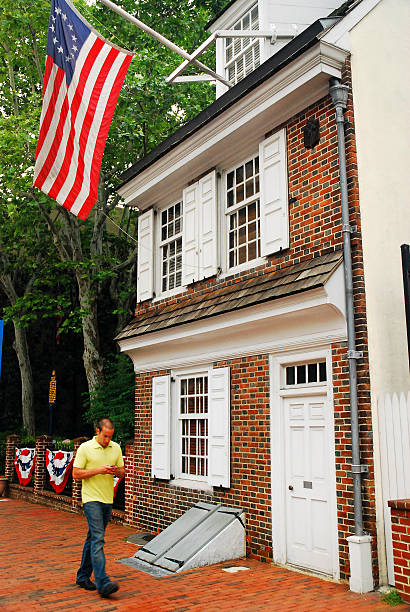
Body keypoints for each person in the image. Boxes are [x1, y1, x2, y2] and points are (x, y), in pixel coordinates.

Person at [73, 417, 125, 597]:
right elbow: (76, 473)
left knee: (93, 538)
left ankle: (82, 576)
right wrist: (98, 470)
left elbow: (122, 471)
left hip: (107, 500)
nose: (107, 440)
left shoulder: (116, 448)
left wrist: (116, 471)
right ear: (97, 431)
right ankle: (103, 583)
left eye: (110, 437)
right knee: (98, 539)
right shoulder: (85, 448)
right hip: (91, 499)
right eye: (105, 436)